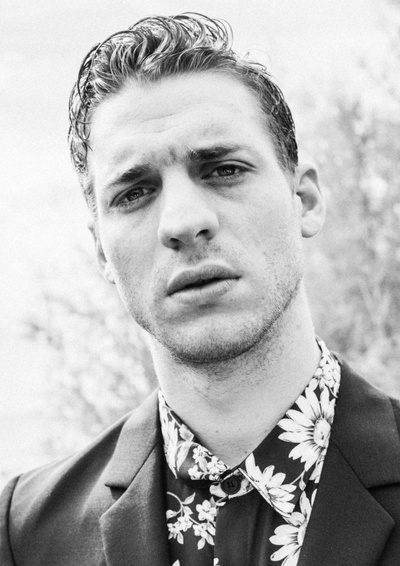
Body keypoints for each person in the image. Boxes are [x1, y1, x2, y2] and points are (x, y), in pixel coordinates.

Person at [1, 13, 400, 566]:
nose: (184, 222)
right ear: (102, 253)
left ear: (304, 200)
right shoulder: (25, 535)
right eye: (134, 193)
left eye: (223, 170)